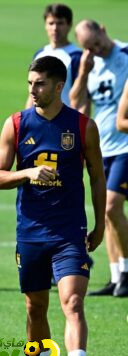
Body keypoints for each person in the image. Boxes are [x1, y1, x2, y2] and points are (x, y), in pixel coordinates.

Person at [0, 56, 105, 356]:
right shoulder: (15, 124)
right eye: (29, 83)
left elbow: (98, 177)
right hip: (30, 232)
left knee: (72, 301)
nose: (32, 90)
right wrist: (27, 173)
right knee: (34, 307)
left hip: (69, 232)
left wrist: (100, 225)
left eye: (39, 84)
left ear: (59, 86)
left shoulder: (83, 126)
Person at [70, 20, 128, 298]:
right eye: (88, 47)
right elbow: (76, 101)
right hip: (102, 148)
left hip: (125, 146)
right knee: (108, 211)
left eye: (96, 43)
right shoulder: (91, 66)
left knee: (111, 208)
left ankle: (127, 272)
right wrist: (82, 71)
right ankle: (117, 277)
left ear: (103, 29)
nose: (95, 49)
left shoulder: (126, 55)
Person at [25, 4, 82, 109]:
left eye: (60, 23)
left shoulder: (76, 56)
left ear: (69, 25)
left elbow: (81, 97)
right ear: (45, 25)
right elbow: (32, 93)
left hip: (64, 120)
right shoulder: (40, 54)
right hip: (39, 119)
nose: (55, 28)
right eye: (51, 23)